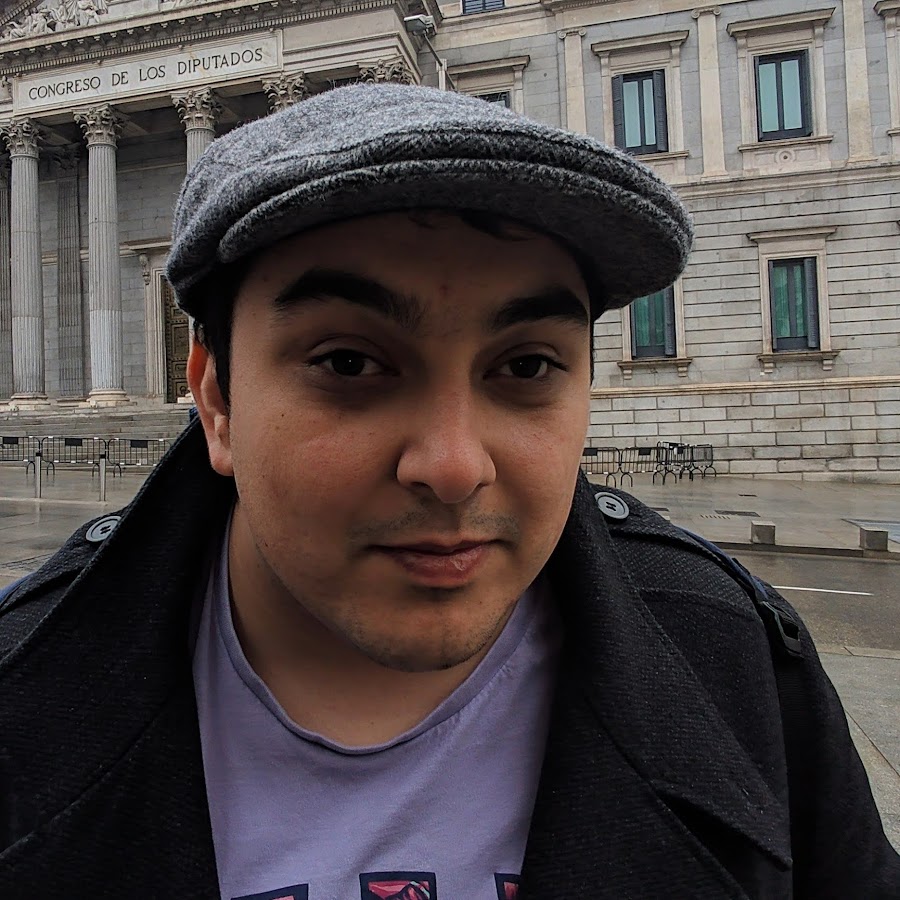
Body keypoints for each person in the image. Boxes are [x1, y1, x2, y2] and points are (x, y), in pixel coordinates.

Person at [0, 84, 897, 899]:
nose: (455, 465)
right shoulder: (20, 695)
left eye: (528, 365)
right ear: (217, 399)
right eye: (348, 363)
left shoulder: (737, 660)